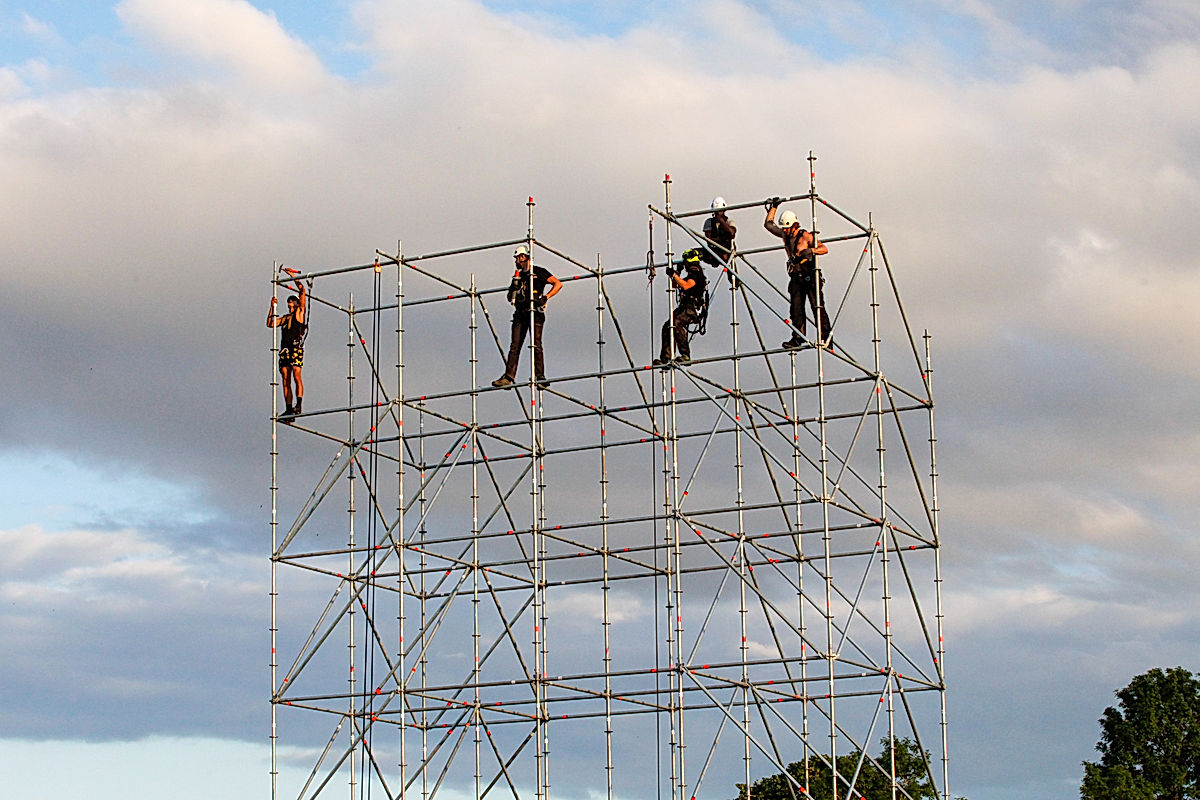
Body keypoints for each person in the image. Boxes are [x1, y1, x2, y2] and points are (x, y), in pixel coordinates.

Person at [492, 244, 562, 389]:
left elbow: (557, 284)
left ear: (523, 257)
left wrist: (546, 297)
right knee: (515, 345)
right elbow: (509, 297)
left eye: (517, 258)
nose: (516, 261)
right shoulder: (517, 277)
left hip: (535, 311)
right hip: (520, 312)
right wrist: (515, 290)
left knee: (536, 343)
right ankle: (508, 377)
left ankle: (540, 376)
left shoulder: (539, 272)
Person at [764, 200, 830, 349]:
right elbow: (769, 225)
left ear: (793, 225)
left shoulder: (805, 236)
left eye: (787, 227)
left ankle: (825, 337)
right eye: (784, 228)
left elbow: (824, 248)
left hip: (810, 275)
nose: (785, 230)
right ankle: (797, 338)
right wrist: (774, 207)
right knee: (796, 309)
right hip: (796, 276)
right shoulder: (785, 236)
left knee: (817, 306)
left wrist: (811, 251)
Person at [653, 248, 708, 366]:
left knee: (676, 323)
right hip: (685, 307)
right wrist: (676, 275)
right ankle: (665, 358)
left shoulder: (696, 273)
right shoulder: (691, 274)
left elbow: (687, 285)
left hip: (692, 309)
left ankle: (685, 355)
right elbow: (676, 284)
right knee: (668, 325)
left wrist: (673, 274)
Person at [267, 270, 307, 416]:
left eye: (292, 301)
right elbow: (270, 323)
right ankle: (289, 407)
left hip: (295, 347)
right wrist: (272, 307)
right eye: (289, 302)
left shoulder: (299, 313)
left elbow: (302, 291)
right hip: (284, 349)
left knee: (297, 374)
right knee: (285, 378)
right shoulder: (285, 318)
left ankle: (299, 404)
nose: (290, 303)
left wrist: (293, 276)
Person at [701, 196, 737, 268]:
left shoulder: (729, 221)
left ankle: (734, 277)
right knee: (694, 254)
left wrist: (722, 221)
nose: (718, 214)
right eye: (716, 212)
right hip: (713, 250)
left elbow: (732, 233)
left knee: (729, 262)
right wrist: (723, 239)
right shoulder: (709, 222)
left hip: (727, 250)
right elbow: (708, 239)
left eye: (720, 211)